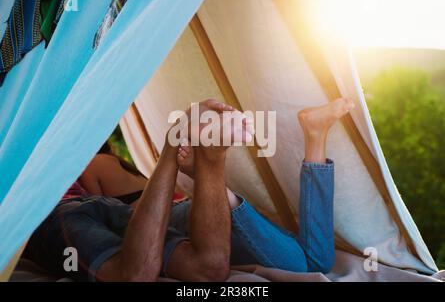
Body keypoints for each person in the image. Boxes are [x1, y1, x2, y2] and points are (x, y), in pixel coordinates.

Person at [26, 97, 354, 282]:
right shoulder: (101, 169)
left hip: (181, 213)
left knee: (307, 264)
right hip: (190, 210)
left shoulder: (91, 170)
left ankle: (213, 180)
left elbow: (142, 205)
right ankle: (312, 137)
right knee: (318, 259)